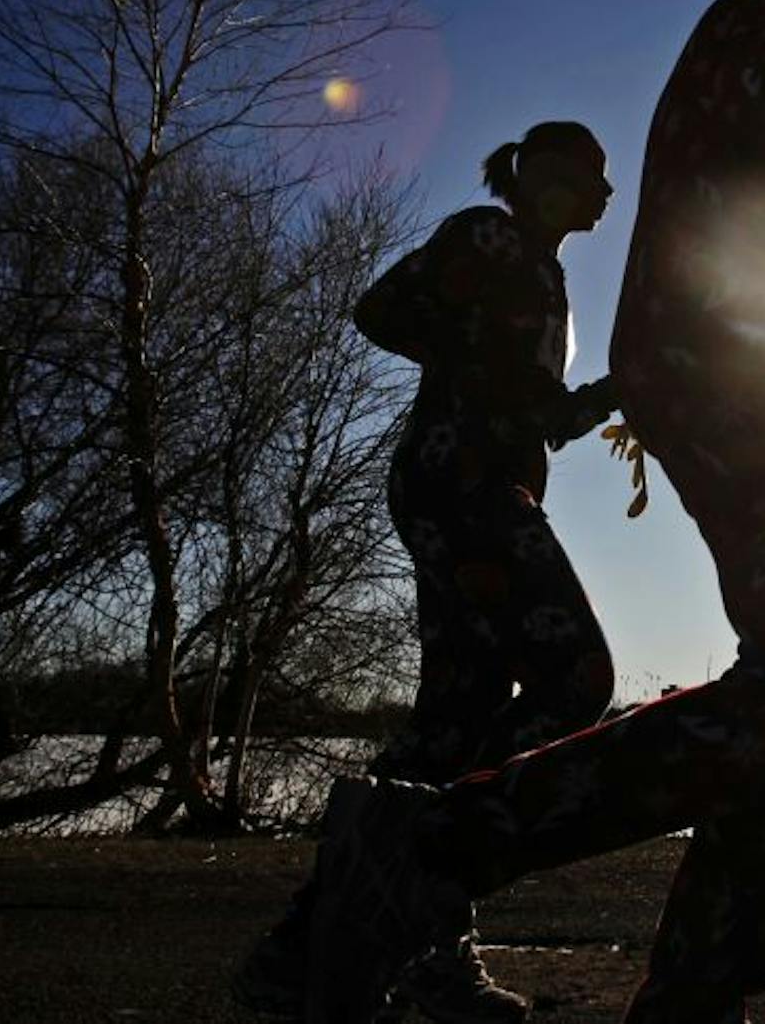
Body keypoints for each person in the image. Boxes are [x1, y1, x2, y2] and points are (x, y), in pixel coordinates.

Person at [300, 0, 765, 1024]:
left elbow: (760, 184)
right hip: (731, 368)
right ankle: (428, 849)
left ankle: (673, 983)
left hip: (707, 360)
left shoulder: (753, 20)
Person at [236, 121, 621, 1023]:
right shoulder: (488, 238)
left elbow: (549, 417)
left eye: (602, 183)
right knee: (578, 676)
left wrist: (625, 389)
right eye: (583, 179)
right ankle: (422, 892)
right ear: (541, 181)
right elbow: (382, 309)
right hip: (461, 486)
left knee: (455, 720)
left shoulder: (547, 273)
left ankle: (336, 946)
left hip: (487, 486)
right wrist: (464, 358)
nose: (599, 195)